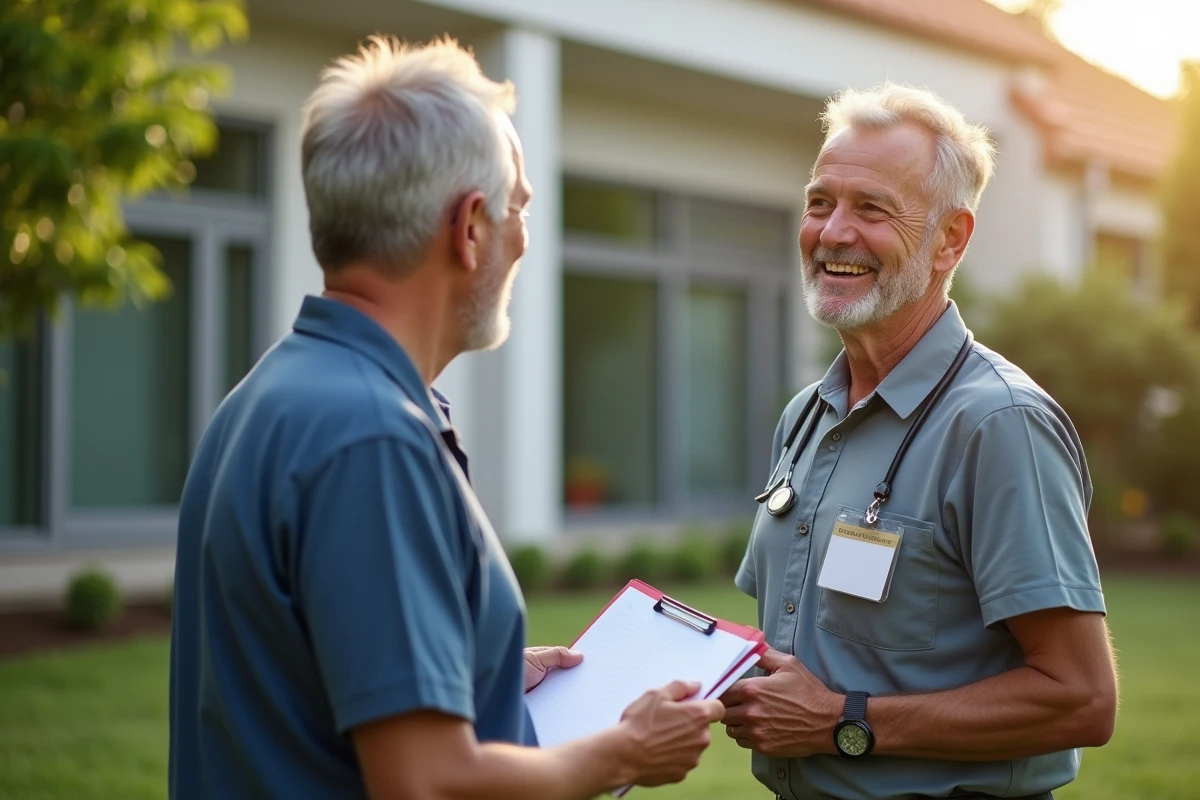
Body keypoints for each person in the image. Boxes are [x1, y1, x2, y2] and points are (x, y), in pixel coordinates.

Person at [168, 36, 723, 800]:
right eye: (519, 207)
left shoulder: (267, 398)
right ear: (470, 228)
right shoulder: (372, 437)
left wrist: (475, 677)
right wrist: (625, 753)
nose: (525, 235)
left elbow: (306, 683)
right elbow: (425, 782)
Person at [721, 83, 1117, 800]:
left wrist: (846, 723)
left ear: (951, 240)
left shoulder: (1000, 426)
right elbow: (802, 647)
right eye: (820, 202)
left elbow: (1081, 697)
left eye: (871, 208)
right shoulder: (808, 415)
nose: (834, 232)